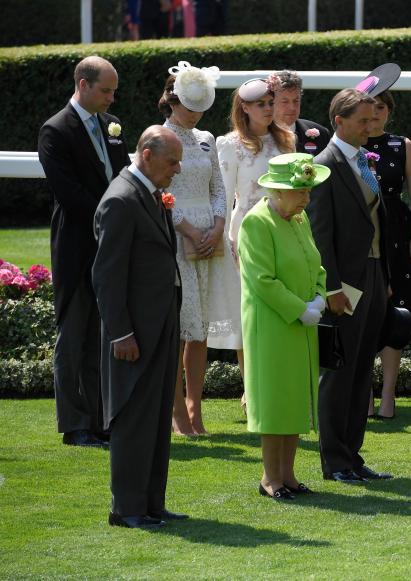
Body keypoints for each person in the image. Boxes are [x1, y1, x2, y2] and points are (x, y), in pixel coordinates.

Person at [92, 125, 187, 529]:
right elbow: (106, 276)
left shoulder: (147, 193)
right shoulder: (121, 199)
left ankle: (151, 503)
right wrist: (120, 333)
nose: (177, 170)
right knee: (133, 420)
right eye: (172, 162)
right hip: (133, 333)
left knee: (156, 414)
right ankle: (127, 508)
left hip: (160, 324)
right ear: (146, 155)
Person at [38, 56, 130, 448]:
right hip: (78, 245)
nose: (111, 99)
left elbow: (123, 173)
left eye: (113, 91)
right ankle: (75, 423)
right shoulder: (55, 130)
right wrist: (110, 219)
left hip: (110, 244)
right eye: (105, 91)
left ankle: (100, 419)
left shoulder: (111, 127)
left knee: (104, 333)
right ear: (83, 84)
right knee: (74, 334)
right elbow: (69, 193)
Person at [308, 88, 393, 484]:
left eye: (371, 119)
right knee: (339, 373)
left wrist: (384, 279)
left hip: (373, 277)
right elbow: (321, 236)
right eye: (361, 120)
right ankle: (336, 461)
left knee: (362, 372)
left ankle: (353, 457)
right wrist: (332, 288)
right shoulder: (323, 166)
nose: (369, 126)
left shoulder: (363, 160)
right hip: (345, 285)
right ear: (338, 122)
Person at [239, 153, 329, 500]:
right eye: (299, 191)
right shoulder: (256, 223)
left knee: (294, 399)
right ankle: (270, 478)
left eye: (307, 190)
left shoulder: (299, 219)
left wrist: (319, 297)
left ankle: (288, 475)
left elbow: (315, 264)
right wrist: (299, 309)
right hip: (272, 326)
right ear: (277, 190)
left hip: (301, 322)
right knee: (275, 402)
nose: (306, 197)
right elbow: (262, 280)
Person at [159, 62, 237, 435]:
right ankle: (176, 411)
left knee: (201, 329)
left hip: (210, 235)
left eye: (201, 108)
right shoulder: (158, 136)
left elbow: (219, 188)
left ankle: (195, 407)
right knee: (179, 327)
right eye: (190, 107)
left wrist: (219, 224)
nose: (196, 115)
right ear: (172, 102)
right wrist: (187, 228)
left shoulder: (207, 137)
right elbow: (158, 191)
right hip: (177, 238)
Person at [216, 78, 295, 405]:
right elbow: (223, 192)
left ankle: (278, 379)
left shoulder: (286, 139)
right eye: (259, 103)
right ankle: (251, 385)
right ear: (244, 108)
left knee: (281, 303)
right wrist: (224, 238)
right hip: (246, 232)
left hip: (283, 227)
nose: (267, 108)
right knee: (248, 309)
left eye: (269, 102)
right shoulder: (230, 144)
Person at [362, 89, 411, 420]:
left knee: (396, 312)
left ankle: (388, 395)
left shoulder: (401, 145)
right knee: (364, 313)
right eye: (369, 107)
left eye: (381, 108)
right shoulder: (351, 144)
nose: (374, 114)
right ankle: (364, 395)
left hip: (398, 233)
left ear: (389, 112)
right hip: (363, 231)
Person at [269, 70, 332, 157]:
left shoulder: (321, 134)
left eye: (296, 101)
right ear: (271, 102)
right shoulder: (257, 135)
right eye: (285, 101)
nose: (292, 107)